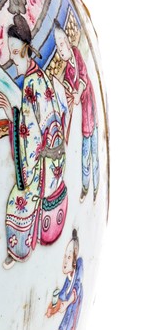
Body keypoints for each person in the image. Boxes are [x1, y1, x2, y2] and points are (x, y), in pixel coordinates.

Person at [0, 0, 69, 266]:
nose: (12, 58)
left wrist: (10, 114)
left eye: (15, 53)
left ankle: (20, 250)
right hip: (54, 159)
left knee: (16, 200)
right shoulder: (38, 76)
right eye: (11, 52)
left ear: (26, 51)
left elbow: (30, 137)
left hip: (43, 166)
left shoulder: (30, 85)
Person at [56, 17, 101, 203]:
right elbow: (69, 84)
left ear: (67, 42)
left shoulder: (76, 53)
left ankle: (95, 186)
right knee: (85, 150)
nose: (60, 50)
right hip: (82, 112)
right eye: (57, 47)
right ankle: (85, 186)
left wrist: (78, 93)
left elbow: (83, 76)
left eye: (61, 45)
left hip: (89, 105)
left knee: (93, 148)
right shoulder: (67, 69)